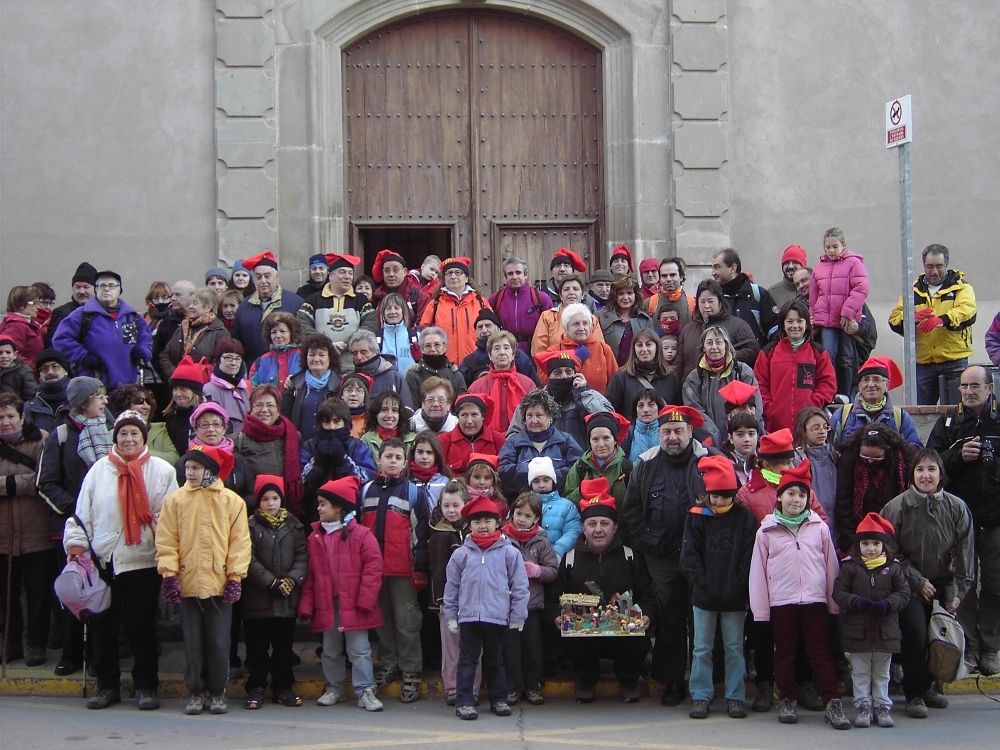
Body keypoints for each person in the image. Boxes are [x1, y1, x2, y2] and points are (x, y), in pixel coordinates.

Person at [64, 411, 178, 710]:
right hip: (104, 560)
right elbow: (82, 514)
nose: (128, 439)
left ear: (143, 438)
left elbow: (172, 518)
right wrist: (77, 547)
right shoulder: (99, 470)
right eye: (123, 434)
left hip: (143, 561)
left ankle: (146, 686)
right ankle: (107, 686)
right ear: (115, 438)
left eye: (134, 434)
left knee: (141, 627)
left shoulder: (162, 471)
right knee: (103, 627)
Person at [619, 404, 714, 705]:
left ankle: (706, 681)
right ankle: (672, 680)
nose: (673, 437)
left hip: (701, 557)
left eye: (678, 431)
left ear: (690, 432)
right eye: (667, 432)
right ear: (658, 434)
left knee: (701, 620)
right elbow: (631, 511)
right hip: (661, 558)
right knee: (671, 620)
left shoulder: (709, 462)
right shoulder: (644, 466)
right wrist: (645, 543)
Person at [748, 461, 850, 729]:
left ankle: (832, 702)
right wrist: (761, 609)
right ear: (779, 496)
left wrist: (832, 602)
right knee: (784, 652)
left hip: (814, 600)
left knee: (820, 652)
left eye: (802, 495)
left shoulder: (819, 528)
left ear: (809, 499)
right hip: (782, 602)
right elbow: (758, 572)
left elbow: (831, 568)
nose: (796, 499)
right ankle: (787, 697)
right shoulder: (767, 530)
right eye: (791, 493)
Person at [156, 445, 251, 716]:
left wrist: (235, 577)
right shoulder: (175, 501)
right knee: (193, 642)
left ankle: (218, 691)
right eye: (187, 468)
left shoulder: (232, 502)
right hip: (187, 583)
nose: (190, 473)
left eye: (196, 468)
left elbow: (240, 543)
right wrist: (169, 574)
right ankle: (196, 691)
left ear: (210, 470)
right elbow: (166, 540)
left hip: (220, 584)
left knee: (219, 641)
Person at [880, 449, 974, 718]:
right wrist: (917, 581)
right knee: (917, 634)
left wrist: (957, 591)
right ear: (912, 474)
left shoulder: (957, 507)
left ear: (940, 475)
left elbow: (965, 552)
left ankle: (931, 686)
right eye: (920, 469)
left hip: (943, 583)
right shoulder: (896, 507)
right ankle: (914, 694)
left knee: (939, 638)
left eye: (931, 470)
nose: (925, 475)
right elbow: (888, 550)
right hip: (907, 585)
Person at [549, 479, 655, 703]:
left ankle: (628, 681)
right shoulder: (569, 559)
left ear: (615, 527)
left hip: (623, 633)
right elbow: (552, 599)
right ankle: (586, 682)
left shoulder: (631, 557)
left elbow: (647, 595)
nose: (598, 530)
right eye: (592, 524)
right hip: (584, 635)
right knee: (571, 639)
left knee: (638, 640)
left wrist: (647, 614)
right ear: (583, 528)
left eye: (604, 523)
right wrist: (556, 617)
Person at [36, 376, 114, 676]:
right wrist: (77, 510)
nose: (105, 402)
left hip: (105, 529)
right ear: (84, 402)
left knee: (101, 594)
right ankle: (71, 653)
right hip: (71, 529)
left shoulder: (110, 432)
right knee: (73, 593)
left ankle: (99, 655)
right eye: (99, 397)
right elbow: (46, 483)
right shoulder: (61, 435)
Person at [926, 365, 1000, 675]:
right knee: (964, 585)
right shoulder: (949, 423)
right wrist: (958, 457)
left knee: (996, 584)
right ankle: (968, 645)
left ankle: (991, 647)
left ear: (990, 389)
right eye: (963, 386)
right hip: (961, 521)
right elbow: (929, 463)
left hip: (996, 519)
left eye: (974, 386)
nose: (968, 391)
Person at [299, 476, 385, 711]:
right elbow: (311, 575)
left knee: (359, 650)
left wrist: (366, 599)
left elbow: (373, 568)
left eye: (323, 504)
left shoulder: (361, 535)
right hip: (328, 603)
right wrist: (307, 605)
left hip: (355, 604)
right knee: (330, 650)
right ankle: (335, 688)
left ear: (338, 507)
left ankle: (365, 689)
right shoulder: (315, 537)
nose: (318, 509)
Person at [681, 455, 756, 720]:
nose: (719, 502)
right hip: (704, 594)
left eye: (724, 496)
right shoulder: (697, 516)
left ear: (733, 494)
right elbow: (689, 556)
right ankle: (700, 694)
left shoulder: (745, 518)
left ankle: (736, 696)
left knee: (734, 647)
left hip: (734, 594)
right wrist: (702, 582)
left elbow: (748, 556)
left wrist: (739, 585)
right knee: (701, 647)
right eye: (714, 496)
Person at [443, 494, 529, 720]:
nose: (482, 526)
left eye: (487, 521)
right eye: (477, 521)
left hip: (497, 616)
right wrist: (450, 614)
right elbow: (451, 587)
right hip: (469, 617)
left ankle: (498, 699)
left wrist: (517, 615)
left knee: (495, 660)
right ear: (469, 525)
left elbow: (520, 586)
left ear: (497, 523)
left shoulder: (509, 553)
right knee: (467, 660)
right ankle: (464, 701)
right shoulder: (461, 554)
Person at [359, 437, 431, 703]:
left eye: (398, 458)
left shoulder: (413, 493)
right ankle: (390, 664)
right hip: (373, 571)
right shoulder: (366, 491)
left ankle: (411, 671)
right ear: (379, 459)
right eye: (388, 456)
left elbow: (420, 534)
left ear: (405, 463)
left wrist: (420, 567)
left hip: (403, 570)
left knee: (407, 622)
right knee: (383, 621)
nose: (392, 461)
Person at [832, 513, 910, 728]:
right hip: (858, 633)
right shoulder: (850, 567)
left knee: (882, 673)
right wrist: (856, 602)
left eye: (876, 543)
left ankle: (882, 706)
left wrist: (888, 604)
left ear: (884, 545)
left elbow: (903, 592)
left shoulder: (893, 567)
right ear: (858, 546)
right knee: (860, 672)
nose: (871, 548)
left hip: (886, 632)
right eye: (865, 543)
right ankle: (863, 706)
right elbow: (838, 593)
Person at [242, 475, 308, 710]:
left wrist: (292, 580)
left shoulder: (294, 526)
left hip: (286, 600)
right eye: (265, 499)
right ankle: (256, 686)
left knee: (283, 648)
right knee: (257, 648)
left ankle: (283, 687)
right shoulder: (249, 526)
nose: (271, 503)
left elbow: (302, 556)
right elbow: (246, 559)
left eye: (275, 498)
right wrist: (270, 582)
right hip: (258, 600)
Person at [0, 394, 54, 667]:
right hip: (3, 535)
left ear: (22, 417)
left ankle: (36, 643)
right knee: (5, 594)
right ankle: (10, 644)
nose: (5, 422)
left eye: (10, 416)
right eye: (0, 418)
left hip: (36, 531)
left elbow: (43, 479)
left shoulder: (41, 439)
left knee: (37, 592)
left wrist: (7, 485)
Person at [889, 244, 977, 405]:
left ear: (946, 265)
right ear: (924, 265)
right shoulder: (913, 290)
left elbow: (967, 311)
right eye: (930, 266)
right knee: (920, 413)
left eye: (938, 266)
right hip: (923, 362)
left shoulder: (961, 287)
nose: (934, 271)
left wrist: (942, 320)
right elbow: (894, 318)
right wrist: (912, 318)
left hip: (954, 360)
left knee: (957, 411)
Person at [501, 491, 558, 706]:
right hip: (507, 603)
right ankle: (513, 687)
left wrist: (537, 571)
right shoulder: (502, 538)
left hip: (531, 604)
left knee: (533, 648)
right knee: (511, 647)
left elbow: (553, 570)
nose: (521, 519)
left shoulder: (541, 541)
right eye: (518, 513)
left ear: (536, 519)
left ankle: (533, 686)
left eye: (527, 515)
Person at [53, 270, 153, 389]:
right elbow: (60, 339)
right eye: (102, 286)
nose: (106, 289)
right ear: (96, 290)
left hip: (129, 387)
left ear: (119, 290)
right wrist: (83, 356)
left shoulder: (132, 317)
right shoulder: (82, 314)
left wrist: (143, 351)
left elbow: (146, 339)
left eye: (111, 286)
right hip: (94, 386)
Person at [428, 481, 479, 705]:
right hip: (448, 601)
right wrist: (441, 601)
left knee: (474, 646)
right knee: (450, 647)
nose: (450, 510)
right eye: (446, 505)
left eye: (455, 505)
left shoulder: (473, 530)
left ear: (465, 505)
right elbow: (437, 571)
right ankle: (452, 687)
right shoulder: (438, 532)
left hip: (474, 598)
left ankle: (472, 688)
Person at [754, 299, 836, 434]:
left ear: (807, 324)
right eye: (789, 321)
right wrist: (770, 408)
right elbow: (759, 384)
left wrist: (812, 405)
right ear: (783, 324)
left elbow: (828, 384)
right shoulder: (768, 352)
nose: (795, 326)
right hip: (775, 426)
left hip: (808, 426)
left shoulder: (818, 353)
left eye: (800, 321)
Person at [834, 423, 916, 553]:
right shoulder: (848, 461)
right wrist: (854, 544)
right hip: (859, 536)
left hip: (894, 533)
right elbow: (844, 504)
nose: (870, 461)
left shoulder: (903, 461)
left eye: (877, 457)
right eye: (865, 456)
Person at [809, 228, 870, 397]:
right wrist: (812, 318)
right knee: (828, 355)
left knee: (846, 357)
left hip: (845, 319)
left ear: (844, 245)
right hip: (827, 321)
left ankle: (844, 392)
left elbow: (861, 289)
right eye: (827, 247)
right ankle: (831, 391)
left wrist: (847, 312)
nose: (831, 250)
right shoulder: (819, 268)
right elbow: (814, 297)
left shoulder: (854, 263)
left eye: (834, 246)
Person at [510, 351, 613, 449]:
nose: (564, 376)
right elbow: (513, 436)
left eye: (568, 372)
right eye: (558, 372)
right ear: (549, 376)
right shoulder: (532, 401)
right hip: (543, 463)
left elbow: (609, 422)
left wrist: (583, 394)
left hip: (582, 462)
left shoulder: (590, 396)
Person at [300, 398, 376, 524]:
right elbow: (300, 485)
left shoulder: (358, 447)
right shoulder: (309, 446)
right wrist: (319, 463)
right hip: (314, 517)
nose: (331, 427)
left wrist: (342, 460)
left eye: (336, 422)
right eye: (326, 421)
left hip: (349, 517)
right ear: (320, 424)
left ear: (346, 424)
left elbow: (366, 481)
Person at [682, 326, 762, 445]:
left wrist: (738, 433)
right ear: (703, 348)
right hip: (709, 442)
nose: (714, 347)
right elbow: (694, 410)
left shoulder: (743, 371)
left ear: (726, 345)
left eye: (718, 342)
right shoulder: (694, 378)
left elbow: (756, 407)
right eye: (709, 343)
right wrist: (715, 436)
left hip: (741, 439)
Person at [498, 389, 583, 498]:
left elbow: (577, 469)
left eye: (539, 415)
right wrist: (532, 470)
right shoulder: (513, 443)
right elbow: (503, 472)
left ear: (550, 417)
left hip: (559, 502)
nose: (534, 421)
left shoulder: (565, 441)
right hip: (523, 504)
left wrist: (548, 475)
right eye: (529, 415)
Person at [297, 253, 373, 373]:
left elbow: (370, 326)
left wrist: (348, 344)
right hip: (322, 369)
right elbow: (301, 325)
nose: (347, 277)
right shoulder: (314, 300)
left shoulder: (361, 301)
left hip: (354, 368)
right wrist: (327, 344)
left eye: (350, 273)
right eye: (342, 272)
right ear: (331, 275)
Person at [234, 384, 303, 517]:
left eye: (270, 405)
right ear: (251, 409)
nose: (264, 410)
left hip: (286, 512)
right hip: (253, 513)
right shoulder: (238, 441)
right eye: (259, 405)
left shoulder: (293, 437)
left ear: (278, 410)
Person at [230, 251, 304, 365]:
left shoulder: (295, 303)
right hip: (253, 368)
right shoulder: (244, 306)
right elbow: (236, 339)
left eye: (267, 276)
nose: (263, 281)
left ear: (277, 277)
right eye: (258, 277)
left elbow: (303, 339)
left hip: (288, 368)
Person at [175, 401, 255, 506]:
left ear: (224, 428)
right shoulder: (184, 463)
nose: (211, 430)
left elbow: (251, 494)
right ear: (195, 429)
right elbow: (182, 498)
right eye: (204, 425)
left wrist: (232, 508)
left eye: (216, 424)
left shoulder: (238, 460)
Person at [830, 356, 922, 447]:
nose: (870, 384)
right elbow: (829, 450)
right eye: (865, 380)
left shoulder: (900, 417)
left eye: (876, 379)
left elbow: (914, 451)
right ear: (859, 385)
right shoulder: (842, 415)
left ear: (886, 384)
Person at [679, 279, 760, 380]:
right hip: (692, 389)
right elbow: (679, 363)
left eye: (711, 301)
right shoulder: (688, 329)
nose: (706, 306)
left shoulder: (738, 325)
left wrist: (727, 357)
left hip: (725, 386)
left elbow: (753, 351)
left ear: (720, 302)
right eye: (702, 301)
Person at [419, 257, 490, 364]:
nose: (453, 276)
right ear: (444, 279)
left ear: (466, 278)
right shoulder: (435, 304)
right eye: (449, 273)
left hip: (476, 365)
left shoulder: (481, 302)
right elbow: (422, 334)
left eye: (458, 272)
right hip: (445, 367)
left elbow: (493, 333)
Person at [147, 355, 211, 465]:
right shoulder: (171, 418)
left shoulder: (210, 416)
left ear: (195, 391)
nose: (178, 394)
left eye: (183, 389)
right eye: (175, 389)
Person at [466, 330, 533, 432]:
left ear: (513, 354)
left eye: (506, 348)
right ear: (489, 355)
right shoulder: (476, 387)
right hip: (487, 442)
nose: (502, 352)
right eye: (496, 348)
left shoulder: (528, 384)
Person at [711, 249, 780, 348]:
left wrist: (766, 355)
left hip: (756, 361)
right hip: (723, 362)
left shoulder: (757, 294)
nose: (713, 273)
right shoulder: (715, 298)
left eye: (717, 267)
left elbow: (774, 330)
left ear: (733, 268)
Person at [545, 303, 618, 393]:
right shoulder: (554, 351)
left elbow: (615, 385)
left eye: (585, 323)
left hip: (597, 405)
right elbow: (547, 383)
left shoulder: (604, 349)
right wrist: (575, 360)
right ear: (566, 328)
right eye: (576, 324)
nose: (581, 328)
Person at [605, 328, 680, 416]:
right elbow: (610, 411)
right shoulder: (620, 378)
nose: (644, 349)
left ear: (657, 347)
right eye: (639, 345)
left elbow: (677, 411)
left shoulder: (671, 377)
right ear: (634, 349)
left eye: (648, 345)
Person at [159, 287, 230, 379]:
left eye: (195, 303)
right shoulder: (184, 327)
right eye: (190, 303)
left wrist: (196, 377)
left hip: (203, 385)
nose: (190, 306)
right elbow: (165, 354)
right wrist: (175, 374)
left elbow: (219, 362)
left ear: (208, 307)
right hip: (178, 382)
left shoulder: (219, 331)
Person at [563, 411, 632, 506]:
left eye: (606, 438)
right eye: (595, 439)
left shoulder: (629, 468)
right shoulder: (579, 468)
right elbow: (567, 503)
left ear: (615, 440)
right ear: (589, 441)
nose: (601, 444)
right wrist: (581, 491)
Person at [281, 334, 340, 442]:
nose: (316, 359)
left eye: (322, 355)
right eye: (312, 355)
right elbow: (284, 418)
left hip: (331, 446)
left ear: (330, 358)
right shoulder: (294, 384)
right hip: (300, 446)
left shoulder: (340, 385)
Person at [459, 309, 540, 386]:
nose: (484, 330)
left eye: (488, 326)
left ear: (498, 329)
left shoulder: (518, 355)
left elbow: (535, 389)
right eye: (480, 327)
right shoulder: (469, 362)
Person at [488, 257, 552, 354]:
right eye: (510, 274)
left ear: (526, 275)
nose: (514, 277)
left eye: (518, 273)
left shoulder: (541, 298)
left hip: (535, 350)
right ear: (505, 277)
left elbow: (551, 327)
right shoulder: (495, 299)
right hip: (505, 351)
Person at [530, 273, 604, 356]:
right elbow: (538, 351)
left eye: (575, 289)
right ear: (560, 295)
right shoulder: (547, 317)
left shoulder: (592, 319)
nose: (571, 292)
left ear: (582, 295)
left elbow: (599, 349)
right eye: (566, 289)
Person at [793, 407, 838, 538]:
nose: (822, 432)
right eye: (815, 428)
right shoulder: (797, 459)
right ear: (803, 430)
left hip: (833, 519)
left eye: (825, 427)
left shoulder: (833, 455)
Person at [526, 456, 581, 560]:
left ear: (553, 481)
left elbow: (573, 531)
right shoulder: (522, 504)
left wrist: (557, 550)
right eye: (536, 481)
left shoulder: (567, 506)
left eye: (546, 480)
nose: (542, 485)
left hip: (558, 558)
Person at [437, 393, 505, 474]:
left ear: (483, 416)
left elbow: (503, 472)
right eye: (464, 415)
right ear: (458, 417)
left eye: (474, 415)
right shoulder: (444, 440)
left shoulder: (497, 439)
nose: (469, 421)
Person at [598, 276, 655, 367]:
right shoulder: (601, 316)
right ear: (615, 295)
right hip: (610, 370)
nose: (625, 297)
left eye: (629, 293)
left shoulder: (645, 319)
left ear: (635, 295)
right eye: (621, 293)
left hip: (638, 371)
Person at [347, 329, 413, 409]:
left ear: (377, 352)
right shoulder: (349, 379)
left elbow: (407, 410)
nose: (359, 357)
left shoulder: (393, 377)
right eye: (355, 353)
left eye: (364, 352)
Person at [404, 327, 467, 406]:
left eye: (437, 345)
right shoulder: (413, 375)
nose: (433, 349)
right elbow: (411, 406)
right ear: (422, 349)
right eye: (428, 345)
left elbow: (461, 407)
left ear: (444, 347)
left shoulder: (456, 375)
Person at [201, 339, 251, 433]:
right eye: (228, 358)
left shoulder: (245, 388)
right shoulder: (209, 390)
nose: (233, 363)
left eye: (237, 358)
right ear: (218, 360)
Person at [151, 281, 196, 382]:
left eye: (178, 295)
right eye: (172, 295)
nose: (173, 299)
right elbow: (157, 354)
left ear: (192, 296)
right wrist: (171, 376)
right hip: (172, 382)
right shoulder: (168, 322)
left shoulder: (205, 321)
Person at [45, 262, 97, 348]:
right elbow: (52, 344)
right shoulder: (61, 313)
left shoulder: (104, 312)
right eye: (77, 287)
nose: (81, 291)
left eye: (86, 287)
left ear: (95, 289)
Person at [370, 249, 431, 322]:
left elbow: (423, 327)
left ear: (405, 272)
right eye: (387, 270)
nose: (391, 274)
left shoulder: (420, 298)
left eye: (395, 270)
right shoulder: (376, 298)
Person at [249, 312, 302, 393]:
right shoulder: (261, 362)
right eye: (274, 332)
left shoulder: (303, 357)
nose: (278, 335)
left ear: (292, 333)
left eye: (282, 331)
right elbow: (252, 390)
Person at [360, 390, 415, 464]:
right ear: (376, 413)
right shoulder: (365, 441)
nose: (389, 415)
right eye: (384, 410)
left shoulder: (412, 440)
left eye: (394, 410)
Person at [407, 430, 454, 513]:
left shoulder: (446, 482)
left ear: (436, 455)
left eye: (429, 452)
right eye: (420, 452)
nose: (424, 457)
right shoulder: (406, 480)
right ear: (413, 454)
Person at [0, 285, 44, 370]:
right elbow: (13, 356)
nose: (38, 307)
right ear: (21, 305)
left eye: (38, 302)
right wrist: (34, 368)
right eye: (34, 303)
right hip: (23, 378)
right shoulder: (16, 326)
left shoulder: (29, 323)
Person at [374, 292, 419, 375]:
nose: (393, 312)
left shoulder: (416, 337)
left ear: (403, 311)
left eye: (396, 308)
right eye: (388, 308)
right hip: (386, 385)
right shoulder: (374, 339)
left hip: (411, 385)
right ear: (383, 312)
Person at [646, 257, 696, 325]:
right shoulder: (649, 303)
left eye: (672, 275)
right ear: (659, 279)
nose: (668, 279)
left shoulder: (693, 303)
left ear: (681, 277)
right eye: (664, 276)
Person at [622, 388, 666, 463]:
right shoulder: (628, 433)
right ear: (635, 411)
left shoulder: (667, 432)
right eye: (640, 405)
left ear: (659, 409)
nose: (645, 410)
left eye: (651, 405)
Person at [721, 410, 759, 487]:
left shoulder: (766, 462)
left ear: (757, 435)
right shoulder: (724, 464)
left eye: (751, 434)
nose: (747, 439)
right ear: (730, 438)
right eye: (740, 435)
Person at [767, 245, 807, 309]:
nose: (790, 266)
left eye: (795, 262)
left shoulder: (812, 290)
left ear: (803, 266)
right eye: (787, 263)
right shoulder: (772, 293)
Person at [0, 337, 37, 401]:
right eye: (0, 353)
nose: (4, 356)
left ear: (15, 354)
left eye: (8, 352)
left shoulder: (24, 371)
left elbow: (31, 396)